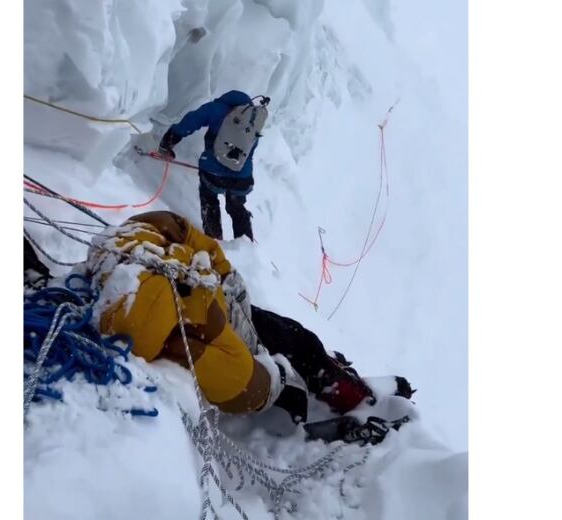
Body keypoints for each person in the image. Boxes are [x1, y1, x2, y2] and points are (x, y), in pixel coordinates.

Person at [24, 211, 414, 441]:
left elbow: (181, 238)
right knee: (291, 360)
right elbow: (239, 381)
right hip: (226, 326)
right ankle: (342, 398)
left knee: (296, 339)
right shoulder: (157, 302)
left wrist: (217, 280)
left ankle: (346, 388)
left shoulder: (148, 273)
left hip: (222, 312)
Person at [157, 90, 269, 241]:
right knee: (236, 207)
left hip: (213, 173)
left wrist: (168, 141)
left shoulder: (217, 109)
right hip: (242, 178)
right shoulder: (251, 122)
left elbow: (190, 121)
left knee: (209, 200)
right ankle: (246, 246)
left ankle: (214, 240)